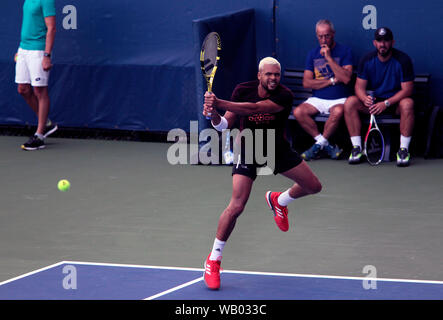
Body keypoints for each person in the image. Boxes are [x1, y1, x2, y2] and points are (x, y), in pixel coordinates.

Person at [202, 57, 322, 290]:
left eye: (276, 74)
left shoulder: (284, 95)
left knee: (314, 186)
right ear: (259, 75)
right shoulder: (242, 90)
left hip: (276, 148)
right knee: (236, 206)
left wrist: (218, 101)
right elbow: (224, 125)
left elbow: (254, 108)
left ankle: (279, 200)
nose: (273, 78)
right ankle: (213, 259)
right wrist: (213, 114)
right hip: (249, 147)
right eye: (268, 74)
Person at [345, 27, 415, 167]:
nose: (383, 44)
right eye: (379, 41)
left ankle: (403, 151)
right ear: (374, 43)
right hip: (373, 105)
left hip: (394, 104)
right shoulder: (367, 60)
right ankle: (357, 148)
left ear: (392, 42)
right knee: (350, 102)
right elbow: (359, 87)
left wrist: (387, 103)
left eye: (386, 41)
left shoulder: (403, 60)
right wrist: (364, 98)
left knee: (408, 103)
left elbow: (407, 90)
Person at [294, 19, 353, 160]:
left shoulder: (345, 51)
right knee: (298, 112)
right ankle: (324, 145)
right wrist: (332, 81)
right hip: (318, 98)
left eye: (327, 35)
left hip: (339, 98)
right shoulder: (312, 54)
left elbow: (346, 78)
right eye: (320, 36)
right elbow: (307, 83)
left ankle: (316, 147)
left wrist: (329, 58)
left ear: (333, 34)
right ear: (316, 36)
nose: (324, 39)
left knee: (338, 111)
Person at [16, 0, 58, 151]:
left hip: (38, 51)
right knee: (23, 89)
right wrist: (21, 49)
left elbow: (51, 27)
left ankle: (39, 136)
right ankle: (46, 124)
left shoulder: (46, 0)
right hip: (23, 49)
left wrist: (47, 55)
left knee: (40, 91)